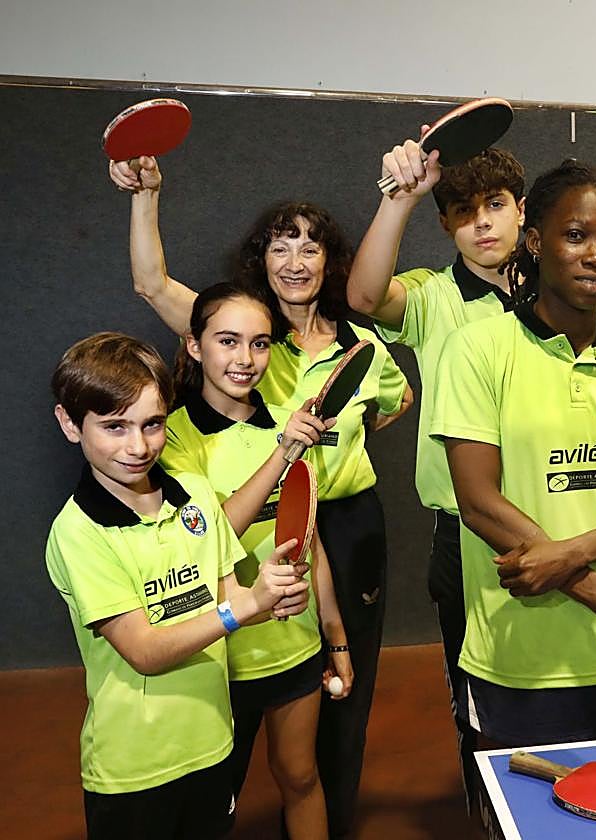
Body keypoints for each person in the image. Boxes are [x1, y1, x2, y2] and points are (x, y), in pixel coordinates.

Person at [109, 157, 409, 838]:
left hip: (342, 527)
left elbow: (395, 404)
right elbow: (150, 281)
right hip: (245, 528)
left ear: (331, 260)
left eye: (311, 244)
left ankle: (334, 812)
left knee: (341, 685)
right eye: (280, 244)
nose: (296, 259)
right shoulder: (242, 326)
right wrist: (148, 194)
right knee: (233, 720)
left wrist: (337, 452)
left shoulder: (361, 343)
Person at [428, 160, 596, 756]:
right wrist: (594, 589)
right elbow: (478, 501)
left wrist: (569, 558)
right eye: (576, 236)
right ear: (538, 243)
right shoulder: (478, 349)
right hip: (517, 652)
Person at [46, 332, 310, 840]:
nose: (138, 446)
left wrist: (272, 597)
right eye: (114, 427)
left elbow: (228, 597)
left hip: (212, 745)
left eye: (152, 424)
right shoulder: (79, 532)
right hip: (133, 770)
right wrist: (244, 608)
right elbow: (145, 652)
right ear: (70, 424)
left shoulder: (194, 498)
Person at [344, 142, 525, 810]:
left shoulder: (560, 293)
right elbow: (364, 295)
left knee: (552, 679)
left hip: (558, 522)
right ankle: (489, 807)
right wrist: (402, 195)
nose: (482, 223)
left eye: (496, 205)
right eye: (463, 212)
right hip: (467, 531)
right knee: (474, 682)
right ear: (447, 224)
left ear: (521, 210)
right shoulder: (431, 295)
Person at [159, 283, 354, 839]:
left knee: (301, 777)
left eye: (260, 344)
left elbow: (307, 535)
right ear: (195, 346)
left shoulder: (283, 421)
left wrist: (335, 634)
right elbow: (212, 537)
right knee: (216, 803)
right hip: (220, 656)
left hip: (294, 644)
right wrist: (283, 453)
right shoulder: (173, 438)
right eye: (227, 341)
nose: (245, 360)